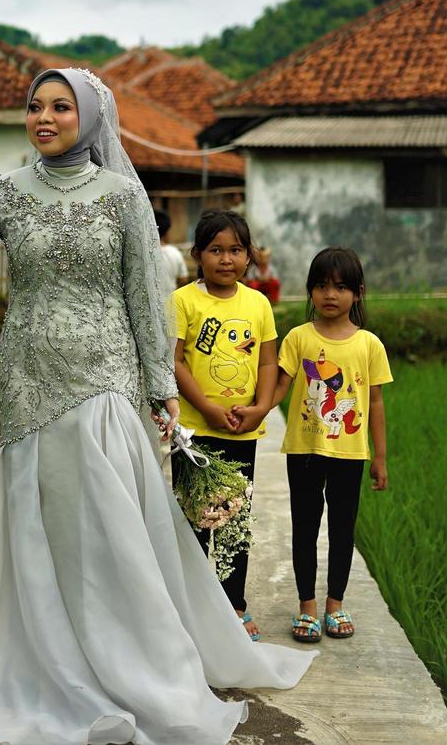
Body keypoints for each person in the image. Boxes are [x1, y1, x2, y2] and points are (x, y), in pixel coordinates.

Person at [0, 68, 313, 745]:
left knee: (104, 524)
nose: (44, 117)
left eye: (61, 107)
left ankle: (131, 660)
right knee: (38, 520)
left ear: (92, 117)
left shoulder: (123, 195)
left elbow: (142, 297)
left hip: (105, 376)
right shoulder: (7, 192)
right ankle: (43, 653)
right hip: (28, 378)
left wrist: (161, 385)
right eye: (35, 107)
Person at [270, 247, 391, 644]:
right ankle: (307, 607)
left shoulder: (369, 344)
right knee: (305, 527)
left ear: (357, 293)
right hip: (305, 450)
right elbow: (282, 386)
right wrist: (254, 412)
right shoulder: (298, 337)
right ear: (310, 291)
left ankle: (334, 604)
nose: (329, 295)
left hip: (349, 454)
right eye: (320, 286)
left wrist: (380, 457)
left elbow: (374, 401)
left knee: (342, 529)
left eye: (340, 287)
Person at [171, 209, 279, 642]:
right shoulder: (183, 301)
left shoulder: (258, 302)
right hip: (195, 433)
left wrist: (262, 408)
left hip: (242, 431)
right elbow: (173, 361)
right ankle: (192, 606)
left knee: (235, 520)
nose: (226, 259)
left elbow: (269, 359)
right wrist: (208, 408)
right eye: (216, 250)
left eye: (235, 250)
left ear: (249, 256)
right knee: (194, 520)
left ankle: (234, 605)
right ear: (198, 254)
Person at [155, 208, 190, 301]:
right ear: (167, 231)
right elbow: (184, 279)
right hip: (170, 302)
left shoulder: (142, 254)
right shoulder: (174, 253)